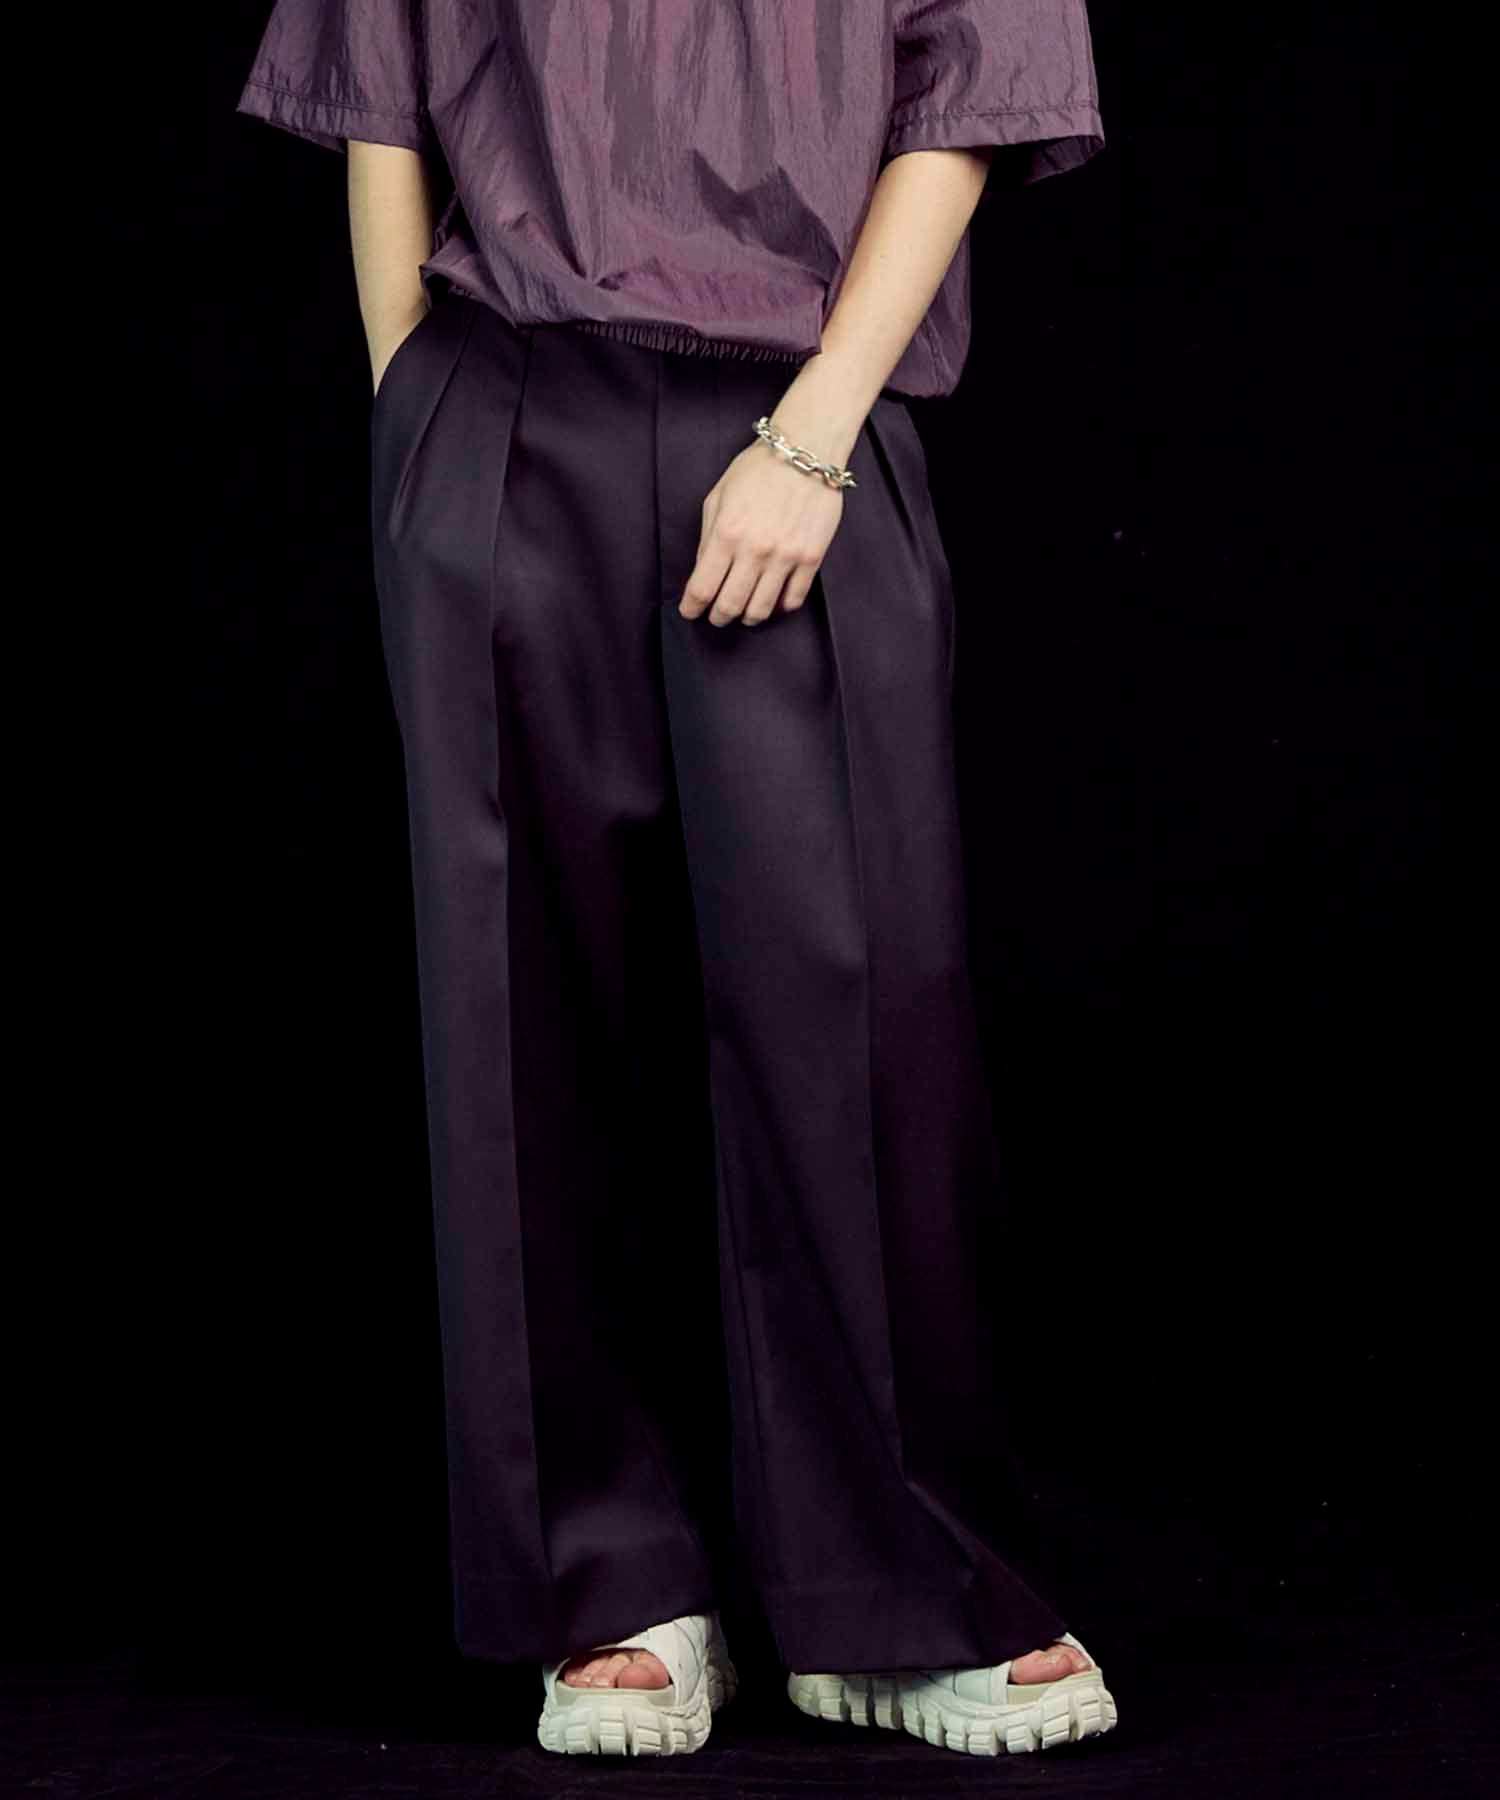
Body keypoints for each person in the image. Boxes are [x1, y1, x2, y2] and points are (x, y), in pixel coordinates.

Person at [236, 0, 1115, 1762]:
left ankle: (900, 1588)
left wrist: (814, 434)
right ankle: (610, 1575)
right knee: (526, 1012)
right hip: (505, 400)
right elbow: (379, 94)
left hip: (806, 409)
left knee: (858, 1005)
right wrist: (414, 408)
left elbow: (966, 95)